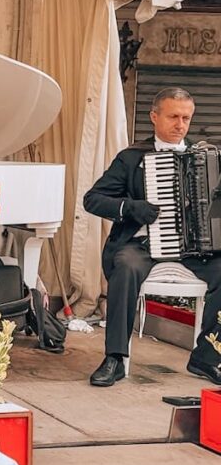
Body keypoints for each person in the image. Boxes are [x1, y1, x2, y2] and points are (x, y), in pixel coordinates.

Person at [84, 87, 221, 387]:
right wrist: (131, 207)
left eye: (186, 117)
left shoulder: (207, 160)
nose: (180, 124)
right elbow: (92, 199)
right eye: (173, 116)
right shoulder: (132, 158)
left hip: (193, 249)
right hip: (142, 245)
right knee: (126, 267)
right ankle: (115, 358)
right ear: (154, 117)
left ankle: (207, 357)